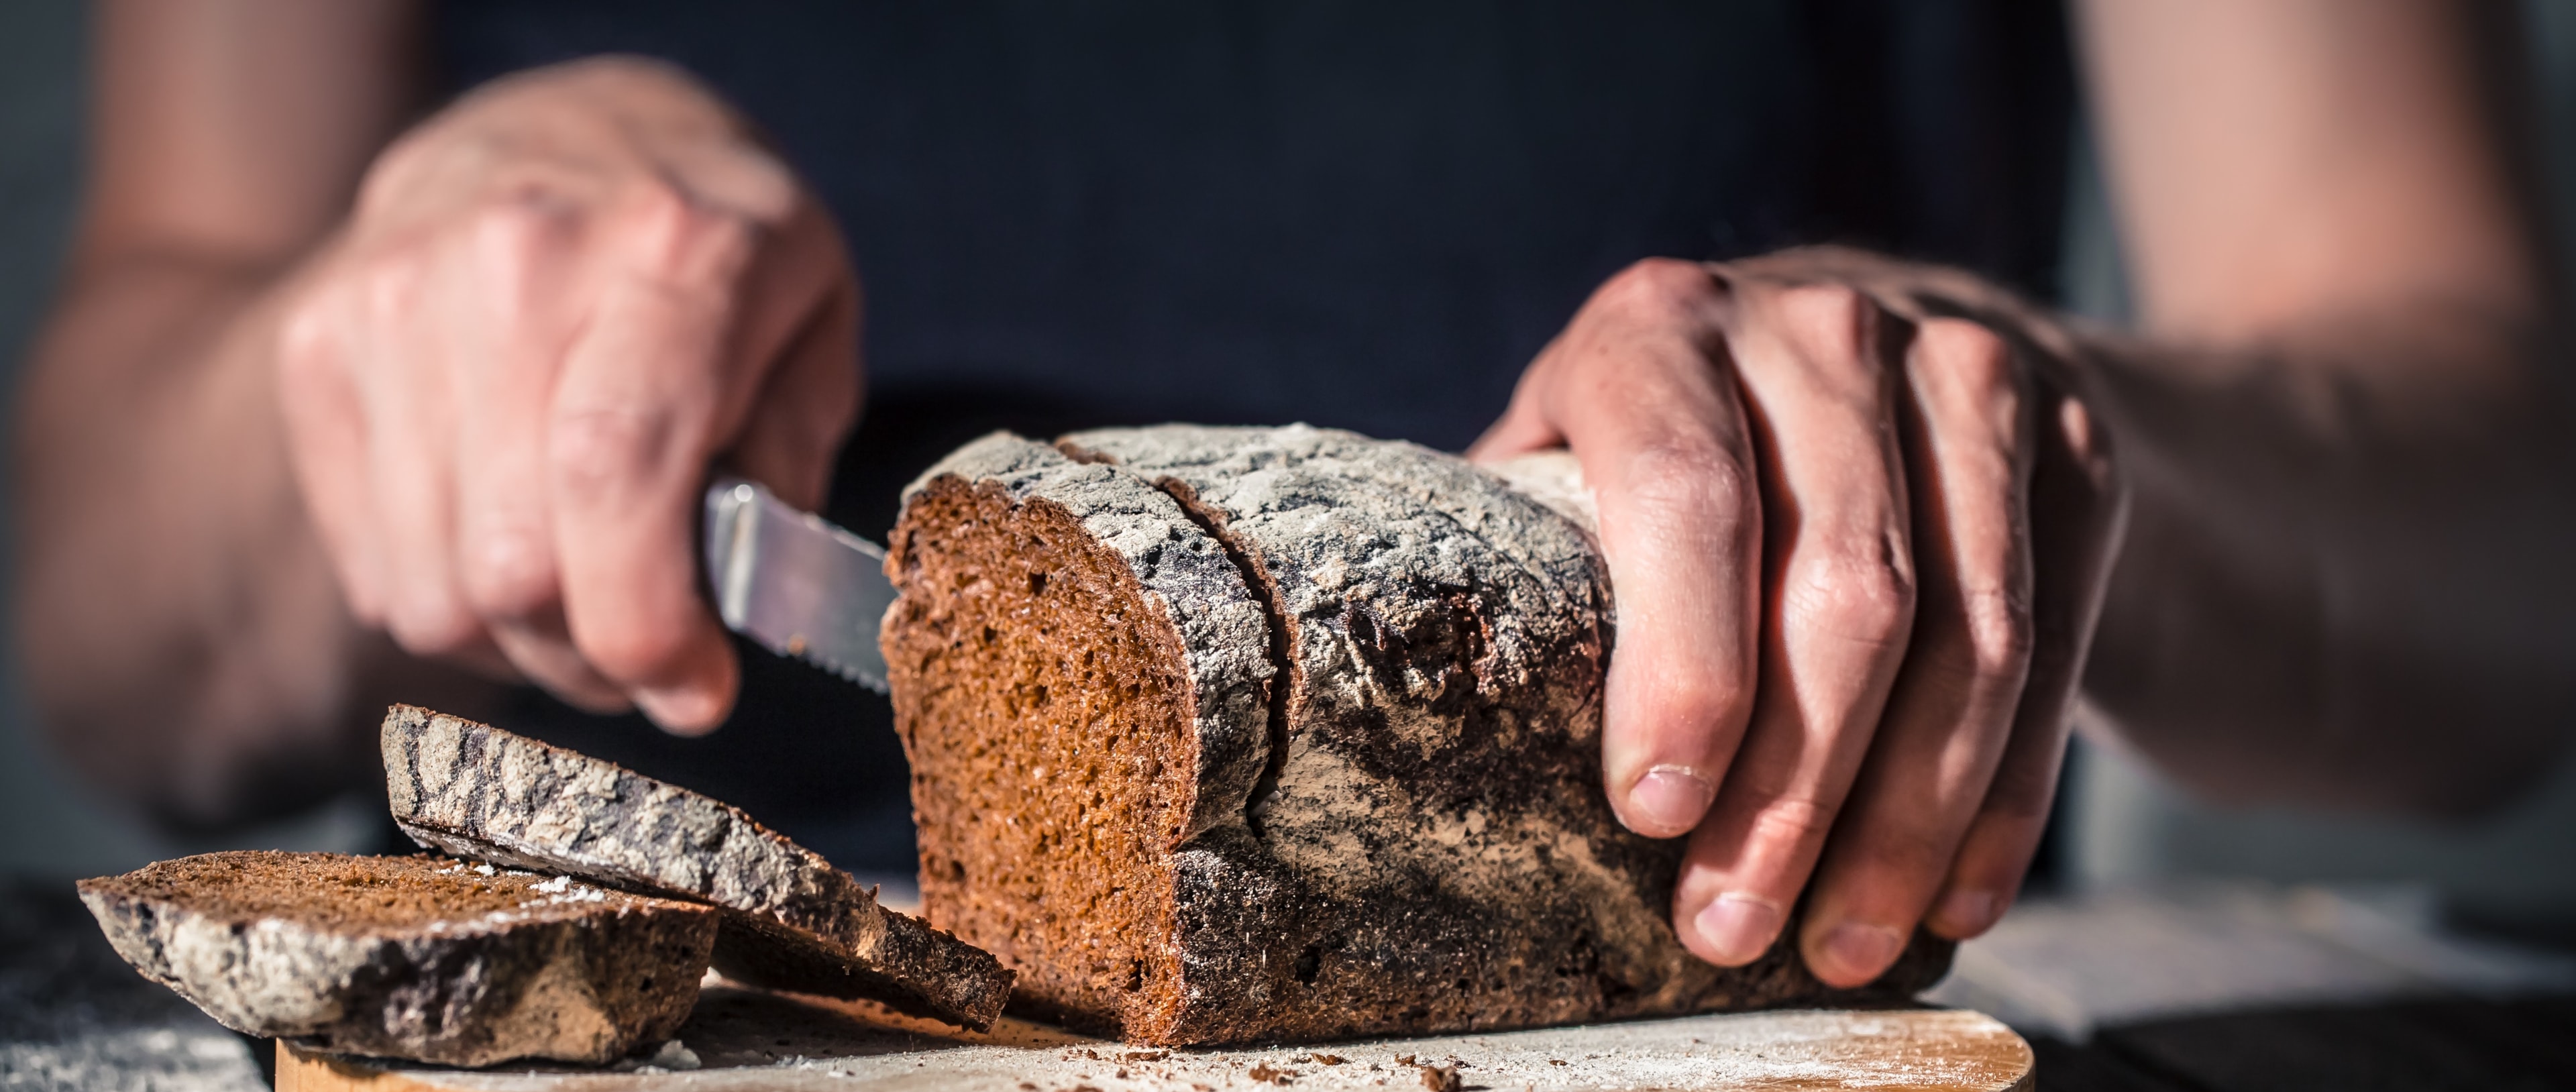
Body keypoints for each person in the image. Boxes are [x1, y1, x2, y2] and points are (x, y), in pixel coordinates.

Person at [15, 0, 2574, 987]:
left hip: (1702, 1073)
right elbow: (93, 590)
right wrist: (346, 358)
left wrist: (2017, 428)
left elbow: (2500, 539)